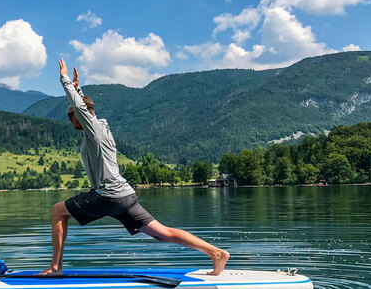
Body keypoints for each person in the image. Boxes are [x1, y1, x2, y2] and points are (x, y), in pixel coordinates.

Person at [41, 58, 230, 276]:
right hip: (124, 195)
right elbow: (83, 105)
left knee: (58, 210)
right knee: (162, 233)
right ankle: (216, 253)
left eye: (70, 115)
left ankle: (55, 268)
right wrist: (77, 88)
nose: (68, 119)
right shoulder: (99, 129)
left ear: (82, 113)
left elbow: (81, 106)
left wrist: (64, 79)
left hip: (109, 195)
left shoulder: (93, 128)